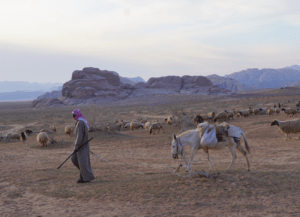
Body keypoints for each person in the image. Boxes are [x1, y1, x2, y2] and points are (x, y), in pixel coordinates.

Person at [71, 109, 95, 183]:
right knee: (75, 159)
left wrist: (76, 146)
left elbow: (79, 136)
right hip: (81, 145)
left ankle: (86, 178)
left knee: (82, 162)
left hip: (81, 146)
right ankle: (84, 175)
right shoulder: (79, 122)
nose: (73, 117)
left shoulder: (80, 123)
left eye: (74, 115)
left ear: (77, 115)